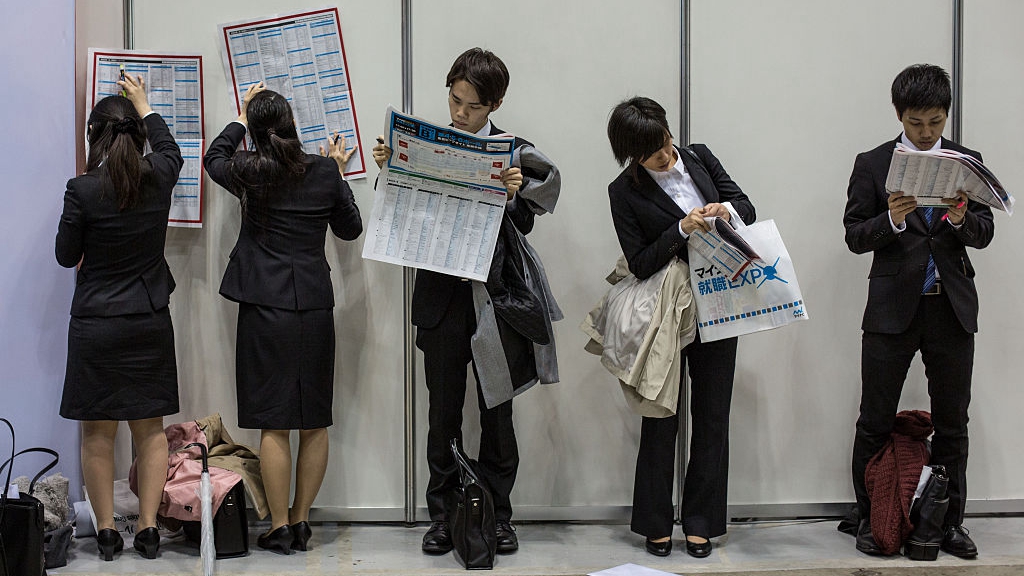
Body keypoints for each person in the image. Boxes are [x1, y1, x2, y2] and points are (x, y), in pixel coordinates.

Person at [372, 47, 561, 555]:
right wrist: (392, 170)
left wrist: (515, 194)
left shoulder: (510, 151)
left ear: (494, 104)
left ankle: (497, 514)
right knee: (443, 413)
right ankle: (444, 514)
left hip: (494, 302)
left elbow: (523, 224)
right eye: (454, 100)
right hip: (440, 299)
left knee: (498, 411)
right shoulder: (426, 143)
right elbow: (402, 216)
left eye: (472, 107)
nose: (459, 113)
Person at [204, 82, 362, 555]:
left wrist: (239, 112)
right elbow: (350, 230)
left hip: (264, 307)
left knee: (274, 423)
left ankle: (277, 526)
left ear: (255, 131)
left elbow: (214, 157)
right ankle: (300, 520)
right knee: (314, 420)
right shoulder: (323, 172)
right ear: (293, 124)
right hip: (313, 306)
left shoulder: (249, 170)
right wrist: (336, 171)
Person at [843, 63, 994, 559]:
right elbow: (854, 236)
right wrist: (891, 219)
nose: (926, 133)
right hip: (891, 308)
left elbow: (986, 233)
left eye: (934, 122)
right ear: (898, 116)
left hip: (950, 307)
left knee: (953, 423)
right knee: (874, 419)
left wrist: (962, 217)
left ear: (946, 115)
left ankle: (948, 523)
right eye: (915, 123)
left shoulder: (966, 161)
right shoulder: (872, 163)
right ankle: (871, 517)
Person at [605, 96, 755, 558]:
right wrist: (682, 230)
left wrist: (722, 212)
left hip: (718, 302)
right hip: (666, 313)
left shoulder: (700, 156)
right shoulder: (623, 191)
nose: (667, 156)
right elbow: (641, 261)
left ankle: (701, 522)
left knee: (712, 417)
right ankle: (655, 521)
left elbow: (746, 207)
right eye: (654, 154)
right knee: (661, 416)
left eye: (667, 143)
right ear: (633, 156)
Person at [56, 74, 183, 561]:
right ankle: (149, 530)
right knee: (149, 430)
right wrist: (145, 103)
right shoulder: (160, 174)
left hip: (96, 324)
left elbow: (67, 256)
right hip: (149, 319)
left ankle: (107, 533)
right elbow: (170, 147)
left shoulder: (82, 190)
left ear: (94, 137)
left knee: (97, 433)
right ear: (138, 133)